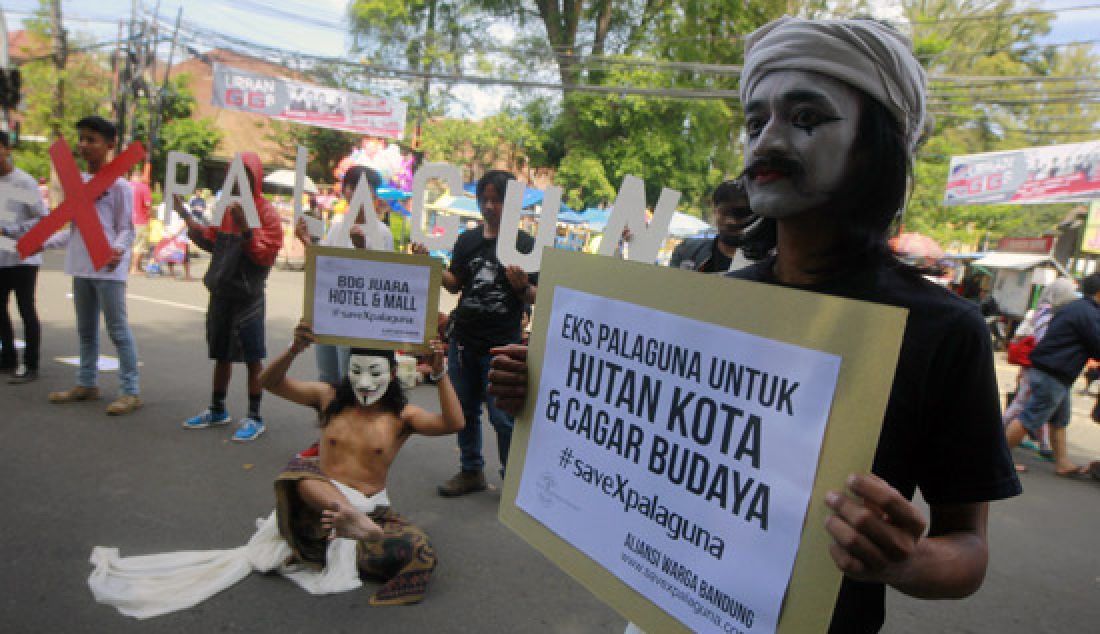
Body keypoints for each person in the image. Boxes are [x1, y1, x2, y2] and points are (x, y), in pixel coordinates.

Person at [489, 17, 1020, 633]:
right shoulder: (719, 299)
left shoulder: (942, 331)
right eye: (755, 122)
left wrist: (906, 560)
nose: (766, 142)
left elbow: (968, 553)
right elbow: (650, 452)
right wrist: (542, 398)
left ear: (877, 146)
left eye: (805, 118)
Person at [86, 322, 463, 617]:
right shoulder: (327, 398)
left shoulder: (402, 417)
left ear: (393, 375)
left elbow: (454, 423)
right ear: (348, 372)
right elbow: (269, 383)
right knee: (300, 474)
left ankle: (349, 533)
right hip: (318, 506)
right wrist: (295, 348)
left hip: (370, 509)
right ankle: (345, 524)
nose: (365, 383)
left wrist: (442, 372)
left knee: (419, 552)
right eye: (357, 372)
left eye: (375, 373)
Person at [436, 169, 537, 497]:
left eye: (498, 199)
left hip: (503, 344)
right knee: (463, 410)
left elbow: (539, 294)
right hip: (464, 340)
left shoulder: (525, 244)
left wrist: (524, 288)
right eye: (485, 199)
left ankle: (513, 481)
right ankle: (471, 471)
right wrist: (434, 268)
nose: (490, 206)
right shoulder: (467, 240)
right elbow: (455, 285)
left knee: (503, 417)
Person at [176, 152, 284, 441]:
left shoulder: (267, 213)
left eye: (245, 175)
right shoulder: (226, 209)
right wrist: (185, 215)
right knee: (221, 354)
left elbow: (264, 255)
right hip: (222, 293)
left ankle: (254, 416)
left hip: (248, 296)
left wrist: (247, 229)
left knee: (252, 357)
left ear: (255, 178)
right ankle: (217, 408)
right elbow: (212, 241)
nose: (238, 181)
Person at [44, 116, 143, 415]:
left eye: (92, 140)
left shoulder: (120, 186)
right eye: (82, 139)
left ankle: (130, 391)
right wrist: (39, 241)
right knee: (86, 331)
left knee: (118, 330)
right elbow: (73, 231)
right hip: (81, 267)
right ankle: (87, 383)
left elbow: (126, 228)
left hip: (108, 270)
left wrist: (116, 251)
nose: (84, 145)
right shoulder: (75, 184)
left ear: (110, 145)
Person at [295, 165, 392, 385]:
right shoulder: (337, 228)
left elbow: (382, 280)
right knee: (326, 377)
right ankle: (328, 419)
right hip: (329, 313)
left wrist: (361, 249)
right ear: (345, 191)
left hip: (356, 319)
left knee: (347, 378)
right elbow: (324, 267)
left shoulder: (382, 233)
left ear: (373, 195)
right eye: (352, 187)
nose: (357, 194)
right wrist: (307, 242)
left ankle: (345, 418)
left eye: (365, 190)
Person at [1004, 272, 1100, 477]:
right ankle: (997, 461)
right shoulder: (1088, 314)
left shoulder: (1076, 307)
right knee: (1030, 418)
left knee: (1059, 420)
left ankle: (1063, 462)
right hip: (1054, 371)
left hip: (1052, 370)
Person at [0, 130, 48, 383]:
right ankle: (7, 358)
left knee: (25, 309)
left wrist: (10, 231)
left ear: (7, 150)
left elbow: (41, 218)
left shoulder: (23, 182)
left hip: (22, 257)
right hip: (0, 256)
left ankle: (31, 364)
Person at [668, 177, 762, 272]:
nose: (731, 221)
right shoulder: (687, 251)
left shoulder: (765, 264)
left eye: (740, 214)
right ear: (714, 210)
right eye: (724, 212)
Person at [128, 173, 152, 274]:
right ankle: (135, 268)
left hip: (125, 220)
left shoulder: (125, 186)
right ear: (140, 178)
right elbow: (147, 204)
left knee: (129, 245)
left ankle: (132, 267)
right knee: (139, 244)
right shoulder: (144, 187)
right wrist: (150, 215)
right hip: (140, 219)